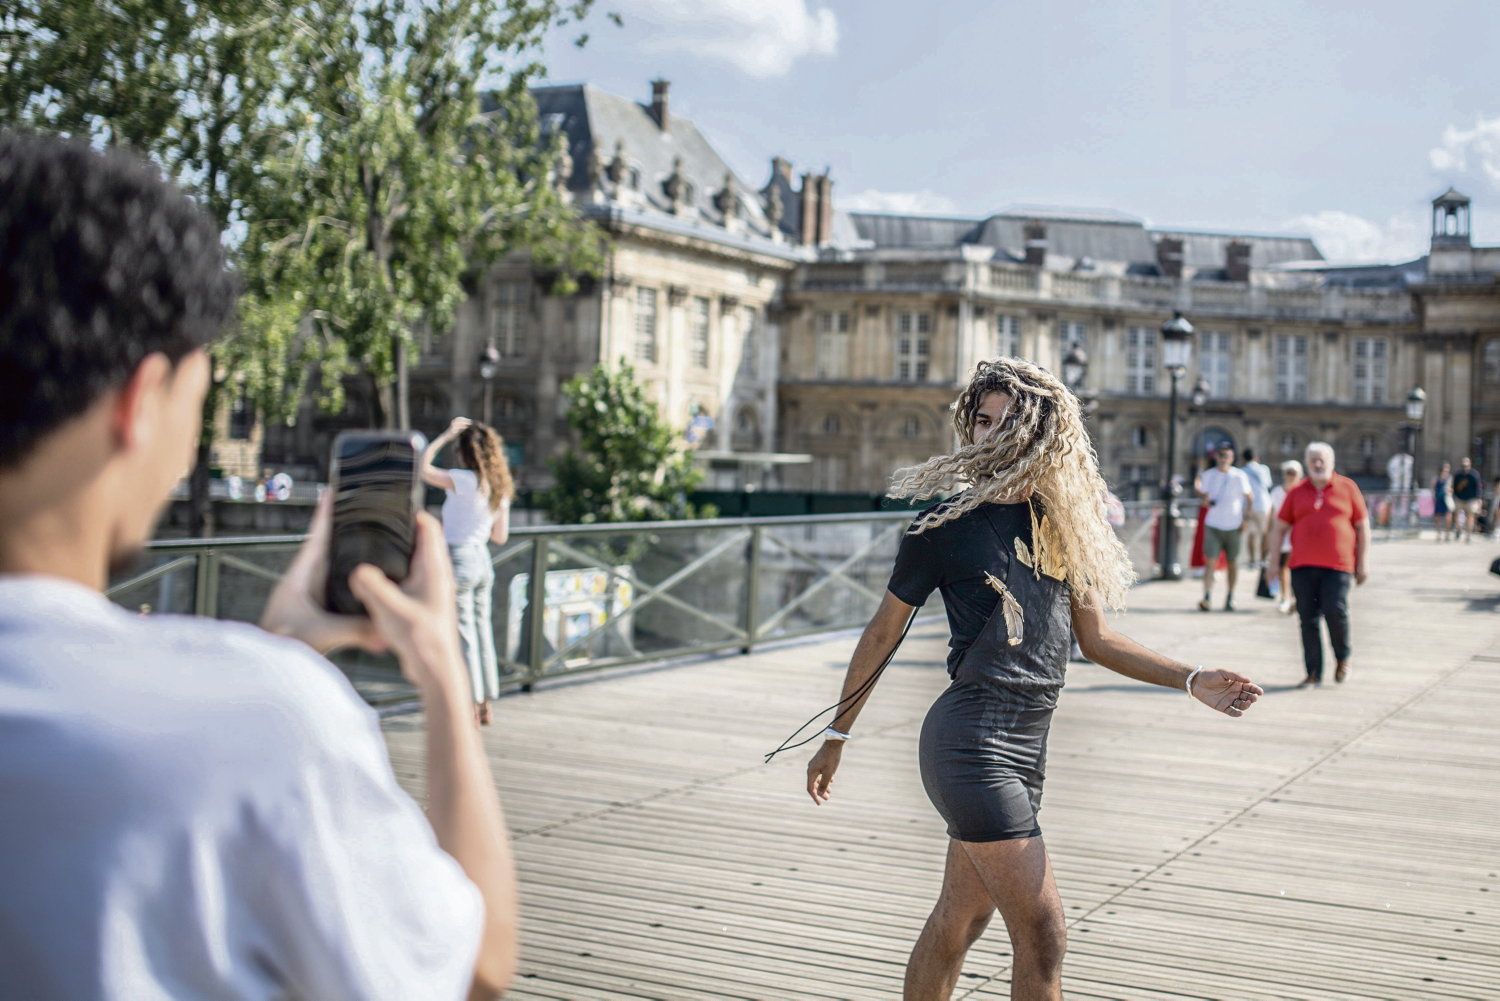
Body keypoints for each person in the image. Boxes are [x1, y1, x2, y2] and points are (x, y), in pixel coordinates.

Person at [0, 132, 516, 999]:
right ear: (140, 401)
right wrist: (436, 669)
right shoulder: (266, 721)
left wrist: (279, 652)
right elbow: (479, 961)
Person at [801, 359, 1262, 1001]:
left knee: (961, 918)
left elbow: (1096, 641)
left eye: (1007, 422)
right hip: (970, 743)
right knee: (1044, 932)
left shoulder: (1062, 525)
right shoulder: (944, 527)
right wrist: (836, 736)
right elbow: (881, 633)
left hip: (1028, 746)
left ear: (1044, 432)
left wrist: (1192, 679)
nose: (990, 434)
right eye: (981, 421)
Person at [421, 416, 513, 725]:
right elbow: (500, 537)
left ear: (465, 452)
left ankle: (470, 704)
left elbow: (421, 469)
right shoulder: (500, 487)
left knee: (465, 636)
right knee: (482, 631)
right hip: (482, 560)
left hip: (458, 558)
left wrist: (444, 435)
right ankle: (486, 702)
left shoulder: (463, 479)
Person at [1266, 442, 1369, 688]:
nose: (1318, 464)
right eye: (1313, 459)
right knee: (1308, 619)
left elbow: (1362, 526)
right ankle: (1313, 673)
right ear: (1306, 463)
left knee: (1335, 610)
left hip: (1339, 565)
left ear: (1331, 462)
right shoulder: (1297, 492)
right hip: (1302, 566)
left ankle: (1342, 658)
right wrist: (1272, 563)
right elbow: (1279, 528)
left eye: (1322, 459)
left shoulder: (1348, 487)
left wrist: (1362, 562)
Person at [1194, 444, 1253, 612]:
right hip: (1213, 524)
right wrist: (1203, 497)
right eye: (1220, 456)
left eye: (1226, 456)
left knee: (1232, 563)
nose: (1223, 459)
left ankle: (1230, 596)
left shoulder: (1239, 475)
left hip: (1233, 525)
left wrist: (1246, 519)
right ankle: (1206, 596)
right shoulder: (1208, 475)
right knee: (1210, 562)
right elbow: (1201, 493)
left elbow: (1249, 497)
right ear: (1216, 457)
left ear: (1232, 458)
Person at [1266, 460, 1303, 614]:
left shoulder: (1303, 491)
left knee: (1295, 568)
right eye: (1288, 472)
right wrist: (1268, 534)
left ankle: (1294, 597)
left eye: (1293, 473)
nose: (1290, 476)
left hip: (1298, 535)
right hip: (1281, 535)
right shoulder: (1277, 492)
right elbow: (1271, 514)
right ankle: (1285, 597)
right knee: (1283, 567)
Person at [1240, 447, 1273, 567]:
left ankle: (1252, 560)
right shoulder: (1264, 469)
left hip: (1248, 506)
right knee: (1264, 533)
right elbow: (1268, 484)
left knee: (1251, 534)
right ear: (1256, 457)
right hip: (1263, 505)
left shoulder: (1241, 471)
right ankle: (1263, 559)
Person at [1452, 457, 1483, 543]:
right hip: (1459, 498)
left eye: (1466, 465)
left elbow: (1479, 487)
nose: (1465, 467)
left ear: (1470, 465)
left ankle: (1468, 535)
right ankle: (1458, 529)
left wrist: (1479, 499)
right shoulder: (1458, 475)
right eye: (1463, 466)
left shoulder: (1474, 474)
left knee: (1470, 516)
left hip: (1471, 499)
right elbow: (1454, 487)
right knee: (1456, 514)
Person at [1432, 462, 1454, 540]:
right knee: (1437, 517)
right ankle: (1439, 533)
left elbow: (1452, 489)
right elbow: (1433, 488)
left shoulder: (1450, 478)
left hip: (1447, 500)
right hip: (1439, 499)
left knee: (1448, 517)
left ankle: (1447, 533)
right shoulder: (1437, 478)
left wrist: (1450, 490)